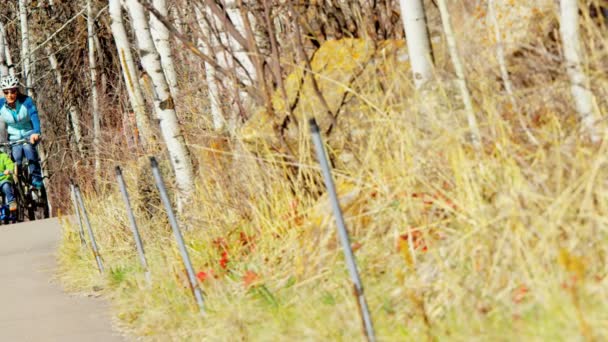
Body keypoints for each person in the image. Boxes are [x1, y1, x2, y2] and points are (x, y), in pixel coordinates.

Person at [0, 75, 43, 189]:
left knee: (28, 150)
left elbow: (34, 116)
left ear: (17, 91)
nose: (10, 95)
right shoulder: (0, 105)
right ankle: (19, 189)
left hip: (28, 134)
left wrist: (36, 132)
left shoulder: (26, 101)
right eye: (6, 92)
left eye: (13, 91)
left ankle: (36, 179)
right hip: (13, 138)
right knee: (16, 160)